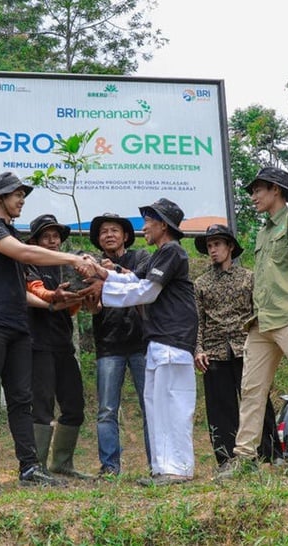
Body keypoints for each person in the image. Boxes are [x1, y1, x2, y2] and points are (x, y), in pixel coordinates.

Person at [0, 171, 94, 497]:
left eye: (23, 194)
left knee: (22, 400)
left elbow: (19, 291)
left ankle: (29, 467)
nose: (22, 199)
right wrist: (73, 258)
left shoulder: (11, 233)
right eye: (17, 194)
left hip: (18, 326)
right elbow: (25, 254)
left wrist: (51, 302)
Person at [216, 167, 288, 480]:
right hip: (260, 321)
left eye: (258, 190)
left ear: (276, 190)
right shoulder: (263, 231)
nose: (253, 197)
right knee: (252, 389)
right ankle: (244, 457)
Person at [80, 198, 198, 486]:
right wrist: (103, 274)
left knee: (173, 406)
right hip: (158, 340)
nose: (143, 227)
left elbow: (146, 291)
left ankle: (178, 468)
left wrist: (103, 291)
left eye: (148, 221)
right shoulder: (159, 254)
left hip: (173, 338)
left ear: (163, 225)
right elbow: (132, 278)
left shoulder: (172, 252)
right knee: (157, 407)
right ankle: (162, 468)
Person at [192, 224, 282, 468]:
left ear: (230, 246)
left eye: (218, 244)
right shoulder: (200, 283)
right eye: (209, 246)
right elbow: (198, 319)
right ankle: (227, 459)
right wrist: (198, 349)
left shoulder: (249, 278)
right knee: (220, 408)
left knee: (258, 399)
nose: (213, 250)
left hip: (247, 347)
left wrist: (267, 345)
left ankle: (272, 454)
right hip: (214, 351)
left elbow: (258, 313)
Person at [24, 214, 91, 480]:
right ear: (36, 241)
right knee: (41, 406)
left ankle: (62, 463)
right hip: (37, 344)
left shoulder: (68, 266)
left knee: (74, 404)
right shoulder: (29, 265)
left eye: (55, 236)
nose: (52, 241)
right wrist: (54, 296)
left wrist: (83, 295)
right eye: (46, 236)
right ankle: (36, 466)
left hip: (63, 344)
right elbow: (35, 290)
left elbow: (74, 307)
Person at [85, 212, 151, 477]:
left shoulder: (140, 258)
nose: (109, 235)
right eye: (103, 232)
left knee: (150, 407)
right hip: (108, 344)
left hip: (142, 343)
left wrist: (114, 271)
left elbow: (146, 283)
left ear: (125, 236)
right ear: (98, 240)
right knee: (106, 410)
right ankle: (110, 467)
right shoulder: (91, 267)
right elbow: (93, 307)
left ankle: (157, 464)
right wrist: (91, 304)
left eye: (114, 230)